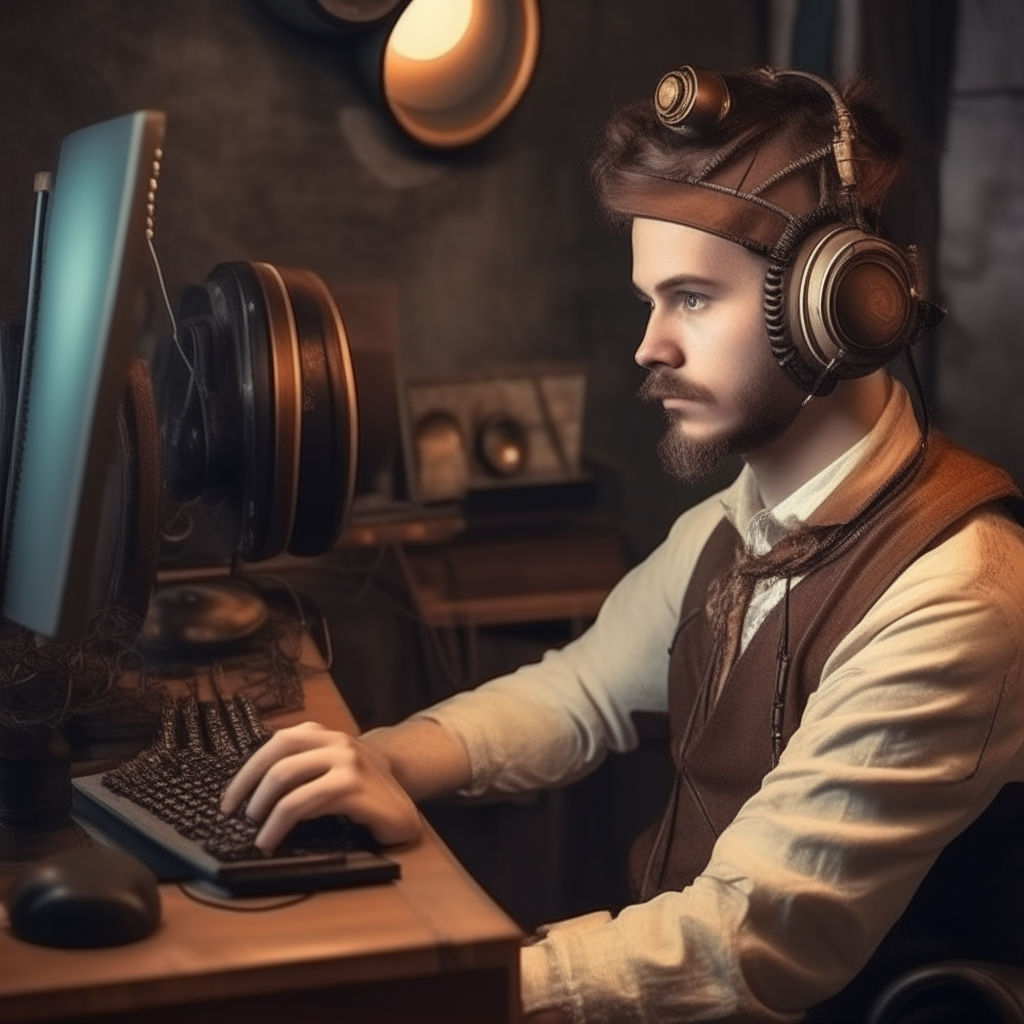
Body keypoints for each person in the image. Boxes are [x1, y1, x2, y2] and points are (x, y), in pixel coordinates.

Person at [222, 66, 1024, 1023]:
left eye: (691, 298)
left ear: (840, 306)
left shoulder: (957, 596)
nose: (649, 346)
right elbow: (581, 691)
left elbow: (738, 947)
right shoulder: (732, 529)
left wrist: (444, 986)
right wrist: (382, 762)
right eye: (652, 299)